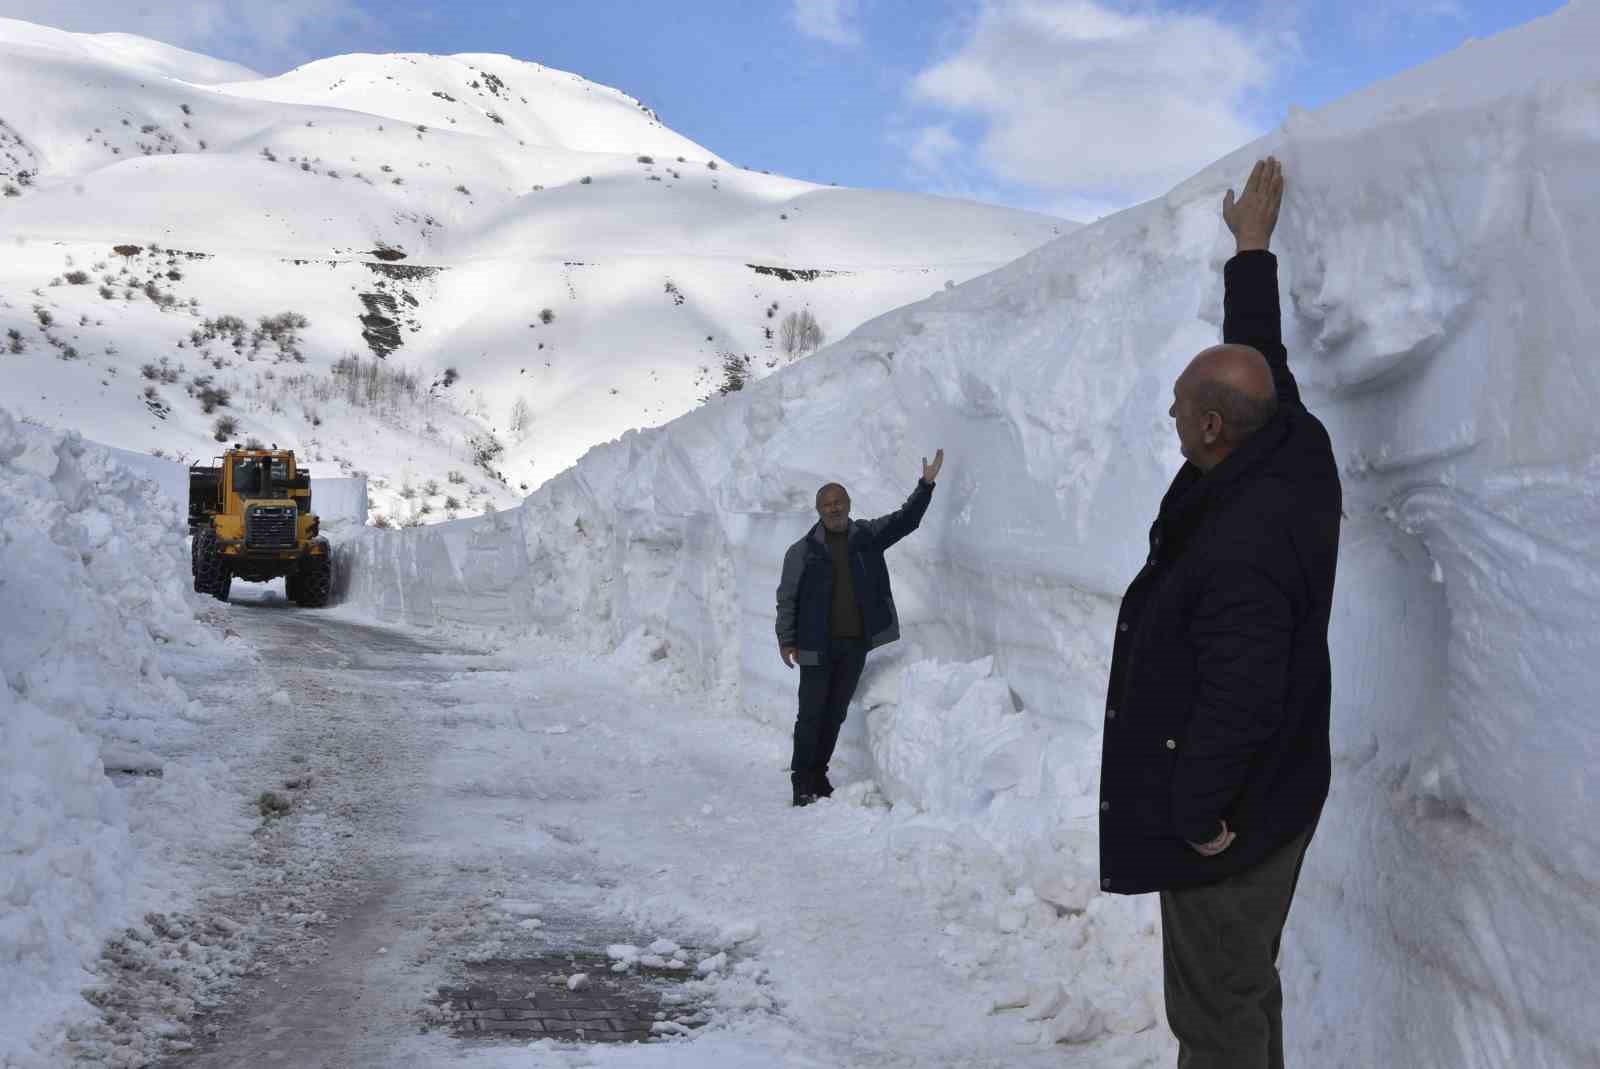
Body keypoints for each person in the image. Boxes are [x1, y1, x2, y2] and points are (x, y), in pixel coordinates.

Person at [1097, 157, 1342, 1068]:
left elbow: (1240, 691)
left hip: (1236, 815)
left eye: (1176, 408)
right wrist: (1251, 253)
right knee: (1242, 987)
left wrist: (1195, 816)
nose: (1168, 415)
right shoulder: (1292, 449)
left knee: (1213, 1011)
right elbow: (1260, 365)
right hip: (1284, 787)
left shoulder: (1240, 543)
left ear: (1209, 430)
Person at [775, 450, 944, 807]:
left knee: (834, 714)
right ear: (819, 511)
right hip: (815, 647)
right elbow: (787, 598)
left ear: (848, 504)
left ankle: (819, 776)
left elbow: (905, 521)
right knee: (810, 715)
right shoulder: (801, 551)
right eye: (826, 505)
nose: (833, 509)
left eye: (838, 502)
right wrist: (786, 640)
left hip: (854, 646)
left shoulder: (866, 536)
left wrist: (925, 485)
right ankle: (801, 781)